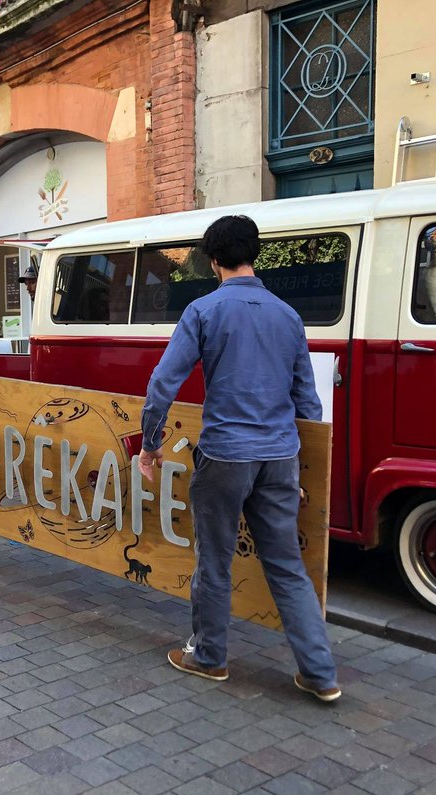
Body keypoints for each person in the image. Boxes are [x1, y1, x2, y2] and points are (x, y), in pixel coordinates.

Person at [137, 214, 340, 702]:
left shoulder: (203, 311)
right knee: (286, 565)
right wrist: (306, 471)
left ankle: (209, 656)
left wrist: (149, 443)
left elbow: (162, 383)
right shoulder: (289, 316)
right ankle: (320, 672)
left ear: (213, 261)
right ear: (255, 254)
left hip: (226, 454)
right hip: (280, 456)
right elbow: (307, 402)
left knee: (215, 559)